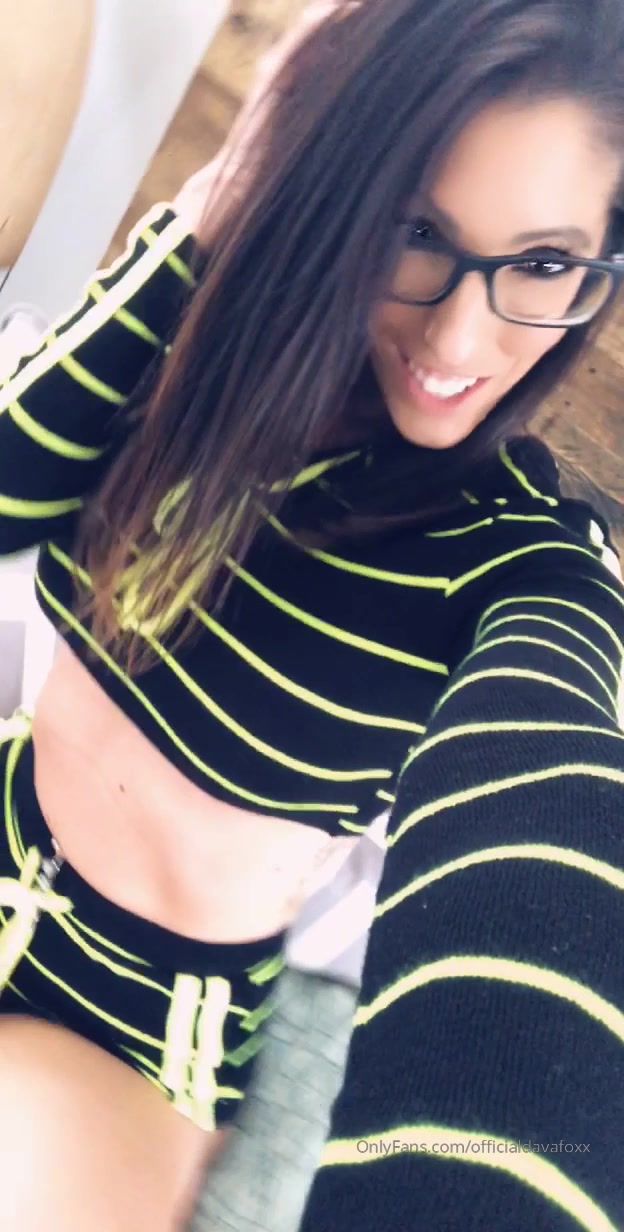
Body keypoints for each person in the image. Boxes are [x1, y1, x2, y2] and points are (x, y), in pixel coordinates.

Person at [0, 0, 623, 1229]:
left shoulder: (524, 563)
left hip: (130, 1021)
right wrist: (221, 200)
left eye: (545, 262)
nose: (459, 335)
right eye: (417, 232)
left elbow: (554, 849)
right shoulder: (198, 355)